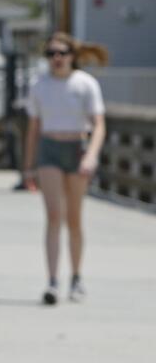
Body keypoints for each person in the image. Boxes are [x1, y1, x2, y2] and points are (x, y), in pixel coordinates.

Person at [22, 32, 108, 305]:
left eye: (62, 53)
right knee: (53, 215)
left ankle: (76, 276)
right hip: (50, 148)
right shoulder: (39, 85)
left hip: (77, 147)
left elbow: (99, 124)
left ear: (72, 56)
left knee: (74, 217)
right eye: (51, 54)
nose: (57, 59)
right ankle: (52, 280)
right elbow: (33, 129)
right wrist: (28, 166)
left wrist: (91, 155)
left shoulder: (85, 84)